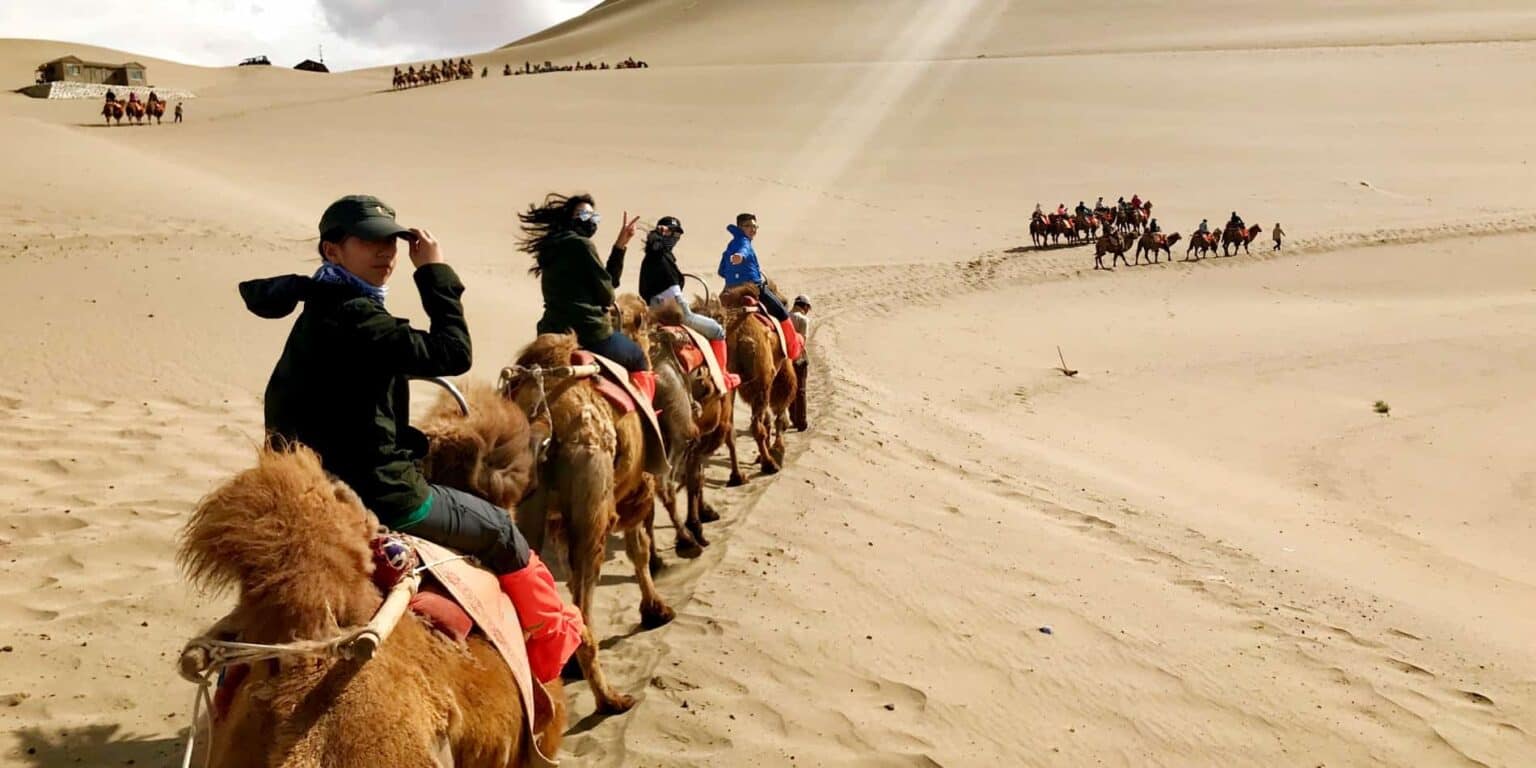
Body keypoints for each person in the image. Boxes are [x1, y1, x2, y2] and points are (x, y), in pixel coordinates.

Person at [239, 194, 582, 684]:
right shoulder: (358, 317)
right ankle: (553, 659)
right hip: (383, 494)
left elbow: (348, 408)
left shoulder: (319, 309)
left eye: (392, 242)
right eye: (370, 242)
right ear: (332, 251)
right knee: (502, 531)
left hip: (321, 485)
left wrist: (409, 440)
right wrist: (433, 272)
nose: (387, 253)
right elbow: (453, 352)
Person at [520, 193, 657, 402]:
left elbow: (606, 282)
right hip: (589, 332)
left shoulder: (550, 246)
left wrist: (621, 243)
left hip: (551, 329)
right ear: (570, 217)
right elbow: (607, 294)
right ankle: (647, 426)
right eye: (584, 214)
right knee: (638, 357)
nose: (590, 221)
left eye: (594, 217)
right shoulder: (582, 245)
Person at [640, 216, 740, 390]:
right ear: (663, 233)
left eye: (677, 236)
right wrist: (657, 234)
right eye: (672, 234)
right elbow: (678, 300)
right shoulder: (660, 255)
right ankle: (721, 376)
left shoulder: (651, 258)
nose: (675, 239)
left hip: (654, 310)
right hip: (675, 309)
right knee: (717, 330)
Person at [718, 213, 803, 360]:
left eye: (754, 226)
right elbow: (743, 250)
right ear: (739, 227)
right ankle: (793, 348)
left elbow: (721, 271)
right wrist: (740, 257)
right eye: (748, 226)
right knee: (782, 312)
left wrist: (734, 273)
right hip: (754, 288)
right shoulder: (743, 242)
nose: (753, 229)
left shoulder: (729, 246)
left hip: (729, 291)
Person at [788, 296, 811, 432]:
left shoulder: (785, 316)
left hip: (786, 358)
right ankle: (801, 422)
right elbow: (803, 340)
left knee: (790, 389)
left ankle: (793, 419)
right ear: (805, 307)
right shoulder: (803, 319)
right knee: (800, 390)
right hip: (799, 357)